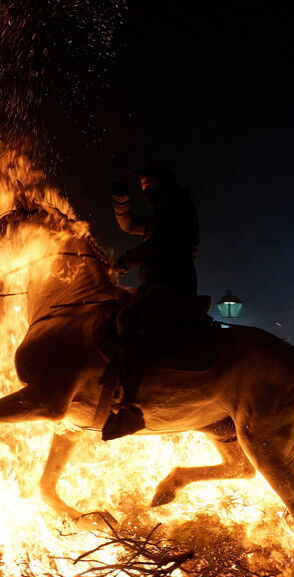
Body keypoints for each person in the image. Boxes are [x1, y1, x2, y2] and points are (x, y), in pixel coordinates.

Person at [101, 160, 200, 441]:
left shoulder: (177, 207)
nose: (144, 187)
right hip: (154, 285)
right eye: (142, 184)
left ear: (164, 181)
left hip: (173, 284)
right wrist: (121, 203)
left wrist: (125, 261)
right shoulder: (163, 213)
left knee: (127, 318)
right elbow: (131, 225)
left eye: (148, 183)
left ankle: (130, 404)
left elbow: (158, 245)